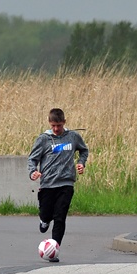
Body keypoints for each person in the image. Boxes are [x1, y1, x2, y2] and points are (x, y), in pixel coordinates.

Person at [27, 108, 89, 262]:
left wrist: (81, 163)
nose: (56, 129)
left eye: (59, 125)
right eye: (53, 125)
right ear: (49, 123)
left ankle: (54, 249)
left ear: (64, 123)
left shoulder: (73, 137)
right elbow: (32, 159)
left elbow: (84, 150)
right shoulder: (43, 139)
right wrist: (33, 172)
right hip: (48, 184)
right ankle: (44, 219)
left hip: (66, 184)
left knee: (60, 217)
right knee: (47, 214)